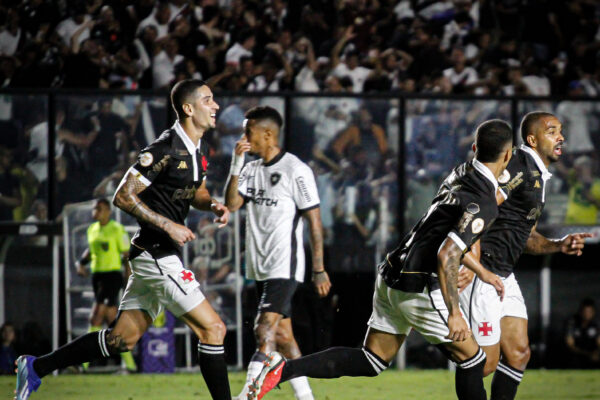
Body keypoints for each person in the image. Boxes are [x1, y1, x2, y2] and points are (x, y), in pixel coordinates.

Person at [249, 119, 513, 400]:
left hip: (391, 274)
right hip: (419, 286)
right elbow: (447, 253)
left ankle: (284, 369)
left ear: (474, 148)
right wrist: (454, 314)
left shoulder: (460, 172)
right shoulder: (484, 203)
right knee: (474, 361)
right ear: (507, 156)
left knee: (371, 360)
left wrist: (479, 270)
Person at [14, 79, 232, 400]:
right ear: (188, 108)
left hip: (152, 255)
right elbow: (123, 195)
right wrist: (168, 226)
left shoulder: (197, 149)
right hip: (157, 253)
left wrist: (212, 204)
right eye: (208, 100)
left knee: (122, 340)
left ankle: (34, 368)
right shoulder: (165, 148)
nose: (216, 106)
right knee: (214, 329)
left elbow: (197, 191)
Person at [458, 112, 593, 400]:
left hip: (504, 274)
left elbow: (527, 237)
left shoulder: (538, 177)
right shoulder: (519, 164)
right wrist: (470, 256)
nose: (561, 137)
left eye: (561, 130)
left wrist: (558, 245)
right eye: (552, 131)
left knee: (519, 353)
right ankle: (440, 334)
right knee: (483, 365)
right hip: (484, 271)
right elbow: (478, 204)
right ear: (532, 139)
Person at [224, 106, 332, 400]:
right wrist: (237, 162)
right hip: (259, 266)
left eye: (249, 131)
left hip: (284, 265)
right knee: (283, 336)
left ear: (268, 134)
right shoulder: (251, 168)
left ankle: (247, 394)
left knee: (264, 329)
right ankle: (306, 397)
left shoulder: (296, 170)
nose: (244, 137)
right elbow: (232, 203)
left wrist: (319, 268)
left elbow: (315, 222)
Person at [75, 198, 136, 372]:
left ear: (108, 211)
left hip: (112, 276)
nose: (96, 212)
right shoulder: (92, 229)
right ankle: (131, 364)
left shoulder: (117, 229)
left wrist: (128, 277)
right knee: (112, 320)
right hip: (97, 277)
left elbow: (126, 255)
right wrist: (81, 263)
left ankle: (83, 364)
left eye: (99, 209)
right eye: (95, 209)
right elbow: (90, 250)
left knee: (95, 316)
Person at [564, 298, 600, 369]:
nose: (587, 314)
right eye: (585, 311)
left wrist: (596, 353)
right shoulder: (572, 322)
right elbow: (570, 345)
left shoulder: (597, 324)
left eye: (589, 312)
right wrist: (587, 354)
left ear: (593, 312)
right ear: (580, 311)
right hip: (577, 354)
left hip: (593, 353)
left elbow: (599, 342)